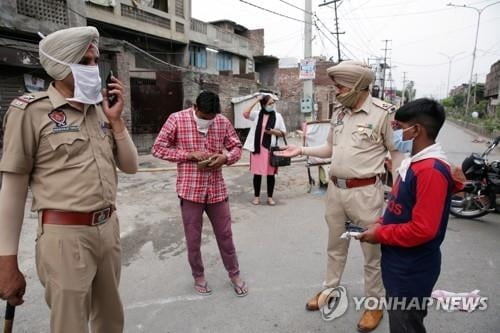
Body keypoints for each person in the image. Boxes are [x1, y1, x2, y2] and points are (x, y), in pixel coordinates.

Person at [0, 26, 138, 333]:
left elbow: (130, 166)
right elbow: (12, 189)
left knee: (110, 320)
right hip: (64, 235)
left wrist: (116, 122)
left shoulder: (100, 110)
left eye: (95, 61)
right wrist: (6, 260)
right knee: (70, 326)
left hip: (107, 229)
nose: (94, 69)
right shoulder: (30, 112)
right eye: (85, 62)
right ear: (61, 65)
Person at [278, 60, 404, 332]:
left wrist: (397, 194)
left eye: (340, 86)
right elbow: (328, 149)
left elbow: (396, 155)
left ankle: (374, 304)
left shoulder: (383, 114)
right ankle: (329, 290)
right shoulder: (339, 113)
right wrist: (300, 151)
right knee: (335, 248)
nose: (336, 91)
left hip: (366, 193)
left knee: (372, 253)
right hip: (336, 191)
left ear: (358, 87)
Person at [358, 99, 464, 333]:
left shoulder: (430, 171)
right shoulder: (415, 164)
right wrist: (380, 222)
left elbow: (424, 229)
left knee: (405, 325)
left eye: (398, 126)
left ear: (416, 130)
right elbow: (398, 205)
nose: (394, 132)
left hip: (411, 268)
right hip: (399, 262)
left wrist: (380, 233)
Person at [152, 91, 248, 297]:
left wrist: (226, 158)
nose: (208, 122)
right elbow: (158, 149)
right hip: (190, 192)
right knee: (193, 239)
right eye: (204, 118)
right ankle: (198, 276)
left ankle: (235, 274)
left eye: (211, 118)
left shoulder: (221, 121)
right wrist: (187, 155)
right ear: (195, 107)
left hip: (217, 191)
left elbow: (237, 147)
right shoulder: (176, 119)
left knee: (225, 235)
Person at [243, 93, 287, 206]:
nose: (272, 105)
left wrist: (272, 131)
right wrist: (256, 100)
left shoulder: (278, 116)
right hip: (257, 148)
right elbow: (245, 113)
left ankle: (270, 197)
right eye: (269, 103)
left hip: (270, 149)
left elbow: (283, 133)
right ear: (263, 105)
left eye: (273, 103)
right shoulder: (257, 115)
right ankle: (256, 197)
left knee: (270, 174)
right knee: (257, 174)